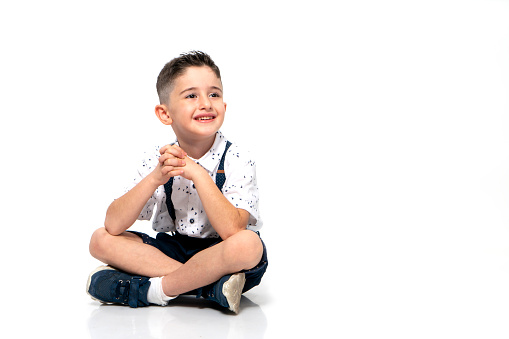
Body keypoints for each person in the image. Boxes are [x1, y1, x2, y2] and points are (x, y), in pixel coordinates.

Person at [86, 51, 268, 314]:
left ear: (224, 107)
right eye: (192, 95)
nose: (206, 103)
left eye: (214, 94)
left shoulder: (237, 159)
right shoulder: (157, 160)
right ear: (165, 113)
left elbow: (232, 230)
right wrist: (154, 178)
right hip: (174, 250)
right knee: (100, 239)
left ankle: (154, 290)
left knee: (249, 245)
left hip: (221, 253)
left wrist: (199, 174)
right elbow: (113, 224)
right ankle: (208, 288)